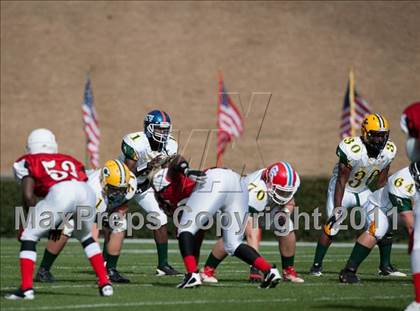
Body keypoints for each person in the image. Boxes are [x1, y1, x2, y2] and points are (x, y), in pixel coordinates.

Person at [5, 128, 112, 299]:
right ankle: (105, 283)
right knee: (86, 237)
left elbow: (28, 195)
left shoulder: (28, 160)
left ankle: (26, 289)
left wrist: (28, 223)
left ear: (31, 146)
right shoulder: (69, 160)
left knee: (29, 236)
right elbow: (79, 183)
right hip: (85, 191)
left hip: (62, 192)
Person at [151, 155, 282, 288]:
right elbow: (195, 237)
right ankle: (269, 271)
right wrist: (192, 266)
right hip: (237, 181)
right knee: (232, 244)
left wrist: (186, 170)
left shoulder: (166, 182)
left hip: (216, 180)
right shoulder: (182, 199)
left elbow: (177, 160)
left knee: (184, 229)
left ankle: (192, 276)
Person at [310, 114, 405, 277]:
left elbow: (381, 182)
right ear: (366, 133)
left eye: (383, 135)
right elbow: (341, 180)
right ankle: (316, 266)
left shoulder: (388, 151)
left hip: (363, 190)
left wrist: (384, 204)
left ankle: (385, 266)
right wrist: (338, 208)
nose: (379, 140)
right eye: (375, 135)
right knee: (334, 224)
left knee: (383, 221)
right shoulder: (352, 149)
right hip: (343, 189)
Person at [35, 159, 137, 283]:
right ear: (104, 182)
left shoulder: (131, 183)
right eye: (114, 189)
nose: (118, 193)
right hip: (72, 199)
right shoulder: (91, 189)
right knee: (67, 227)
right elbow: (89, 233)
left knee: (119, 224)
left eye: (121, 190)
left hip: (96, 204)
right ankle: (43, 270)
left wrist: (114, 216)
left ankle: (111, 270)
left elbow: (121, 207)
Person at [200, 161, 304, 283]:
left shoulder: (285, 183)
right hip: (238, 205)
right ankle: (207, 270)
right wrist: (255, 267)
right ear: (269, 183)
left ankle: (288, 271)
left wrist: (285, 213)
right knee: (232, 237)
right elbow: (251, 231)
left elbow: (290, 200)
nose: (284, 194)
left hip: (265, 206)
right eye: (282, 191)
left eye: (286, 191)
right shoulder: (257, 191)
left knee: (286, 227)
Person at [119, 110, 180, 276]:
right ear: (149, 128)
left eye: (165, 130)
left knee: (159, 218)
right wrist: (148, 166)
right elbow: (128, 174)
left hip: (144, 185)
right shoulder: (136, 142)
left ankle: (163, 265)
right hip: (121, 185)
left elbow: (165, 174)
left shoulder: (171, 145)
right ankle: (106, 264)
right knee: (116, 223)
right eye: (159, 129)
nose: (163, 133)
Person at [339, 163, 418, 283]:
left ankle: (385, 267)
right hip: (377, 207)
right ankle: (348, 271)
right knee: (378, 230)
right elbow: (411, 224)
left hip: (396, 209)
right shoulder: (402, 181)